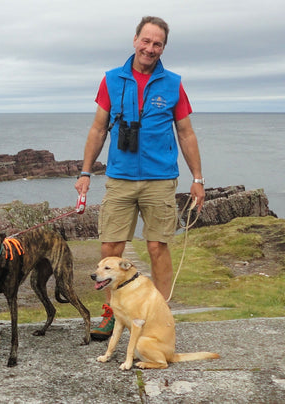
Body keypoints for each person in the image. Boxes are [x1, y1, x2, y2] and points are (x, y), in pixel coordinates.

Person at [74, 16, 205, 340]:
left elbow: (186, 133)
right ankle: (111, 313)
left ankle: (158, 313)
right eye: (145, 41)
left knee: (158, 247)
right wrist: (85, 172)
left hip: (160, 179)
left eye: (157, 43)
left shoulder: (173, 83)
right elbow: (98, 128)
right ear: (135, 40)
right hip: (120, 177)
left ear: (163, 48)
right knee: (110, 247)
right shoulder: (111, 79)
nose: (150, 48)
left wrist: (198, 179)